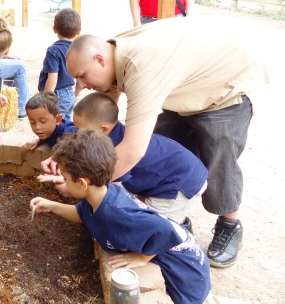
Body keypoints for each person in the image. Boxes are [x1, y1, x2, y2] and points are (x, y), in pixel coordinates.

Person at [65, 21, 270, 268]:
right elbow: (103, 114)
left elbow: (132, 150)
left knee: (220, 156)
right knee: (164, 153)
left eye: (82, 76)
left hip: (224, 86)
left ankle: (230, 223)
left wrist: (86, 185)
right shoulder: (114, 52)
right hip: (182, 85)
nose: (81, 86)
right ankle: (177, 217)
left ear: (99, 60)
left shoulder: (143, 70)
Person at [30, 130, 211, 304]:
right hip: (179, 262)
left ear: (82, 183)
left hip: (185, 276)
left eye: (65, 177)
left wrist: (140, 258)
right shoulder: (99, 194)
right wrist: (52, 206)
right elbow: (83, 214)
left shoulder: (119, 216)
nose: (63, 180)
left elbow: (167, 231)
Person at [73, 92, 208, 232]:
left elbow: (113, 193)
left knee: (153, 229)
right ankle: (181, 224)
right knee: (140, 213)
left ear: (104, 129)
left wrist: (78, 189)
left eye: (79, 130)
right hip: (167, 176)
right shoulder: (109, 136)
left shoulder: (117, 150)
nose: (77, 135)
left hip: (179, 183)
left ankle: (179, 244)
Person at [38, 8, 81, 122]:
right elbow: (80, 77)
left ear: (54, 29)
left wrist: (47, 100)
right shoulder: (77, 49)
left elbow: (52, 77)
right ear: (79, 31)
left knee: (53, 125)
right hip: (70, 93)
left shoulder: (53, 50)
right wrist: (74, 95)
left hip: (57, 95)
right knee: (65, 125)